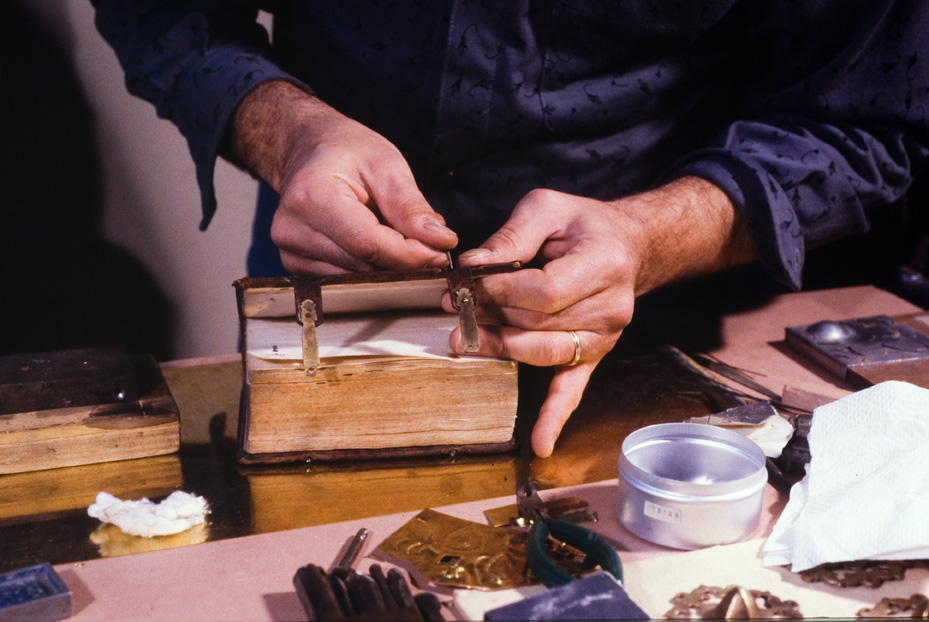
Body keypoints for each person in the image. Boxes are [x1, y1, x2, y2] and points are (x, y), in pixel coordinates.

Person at [93, 1, 929, 456]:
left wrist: (650, 238)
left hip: (657, 316)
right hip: (333, 278)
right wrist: (287, 133)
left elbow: (871, 116)